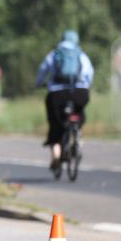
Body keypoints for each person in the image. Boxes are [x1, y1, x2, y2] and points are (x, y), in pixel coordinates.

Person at [35, 30, 93, 169]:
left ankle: (56, 153)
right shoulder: (81, 54)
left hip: (57, 93)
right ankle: (77, 137)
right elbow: (89, 73)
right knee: (79, 113)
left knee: (55, 122)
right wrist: (85, 86)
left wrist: (39, 83)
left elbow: (43, 70)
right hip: (79, 92)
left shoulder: (54, 54)